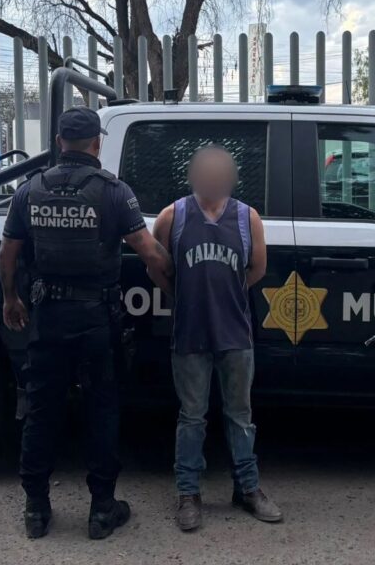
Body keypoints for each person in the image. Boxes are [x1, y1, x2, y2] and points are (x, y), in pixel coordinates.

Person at [0, 106, 172, 541]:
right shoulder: (113, 192)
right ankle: (101, 510)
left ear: (60, 142)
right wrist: (181, 283)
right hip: (96, 318)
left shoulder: (29, 190)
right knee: (102, 410)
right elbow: (149, 251)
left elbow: (7, 253)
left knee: (41, 410)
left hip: (48, 316)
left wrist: (11, 297)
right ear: (97, 143)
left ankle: (36, 509)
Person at [151, 144, 281, 532]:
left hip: (235, 334)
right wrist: (184, 296)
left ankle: (247, 488)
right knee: (192, 417)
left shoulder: (247, 217)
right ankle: (188, 494)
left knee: (240, 416)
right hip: (190, 334)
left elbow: (257, 269)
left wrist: (225, 297)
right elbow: (158, 268)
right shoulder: (172, 216)